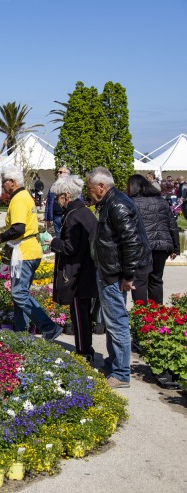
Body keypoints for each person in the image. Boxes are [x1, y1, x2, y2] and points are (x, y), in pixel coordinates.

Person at [86, 167, 152, 389]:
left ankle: (121, 373)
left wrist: (128, 275)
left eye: (91, 187)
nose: (89, 192)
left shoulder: (117, 204)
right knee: (111, 320)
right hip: (109, 271)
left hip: (115, 274)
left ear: (102, 186)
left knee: (117, 322)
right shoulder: (110, 202)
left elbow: (131, 242)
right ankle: (113, 363)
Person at [0, 166, 62, 339]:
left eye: (4, 181)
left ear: (12, 182)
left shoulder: (19, 199)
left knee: (19, 293)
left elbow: (18, 228)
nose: (3, 185)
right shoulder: (23, 196)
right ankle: (21, 333)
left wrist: (1, 237)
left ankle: (49, 327)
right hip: (29, 250)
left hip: (25, 252)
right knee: (20, 294)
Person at [49, 175, 98, 363]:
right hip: (86, 270)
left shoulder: (73, 216)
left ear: (67, 196)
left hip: (78, 273)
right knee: (83, 313)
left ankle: (83, 351)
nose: (57, 201)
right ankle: (85, 347)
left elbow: (70, 247)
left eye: (59, 197)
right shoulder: (84, 212)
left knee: (79, 314)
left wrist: (52, 241)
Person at [126, 174, 179, 305]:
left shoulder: (131, 202)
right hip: (162, 246)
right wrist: (176, 248)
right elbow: (172, 225)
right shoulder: (161, 200)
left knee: (139, 280)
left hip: (142, 246)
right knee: (156, 279)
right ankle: (155, 315)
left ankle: (141, 314)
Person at [44, 166, 70, 236]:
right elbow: (48, 203)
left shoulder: (71, 187)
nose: (58, 174)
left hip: (67, 217)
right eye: (57, 172)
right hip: (56, 217)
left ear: (67, 174)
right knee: (58, 238)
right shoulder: (53, 186)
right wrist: (47, 219)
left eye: (60, 172)